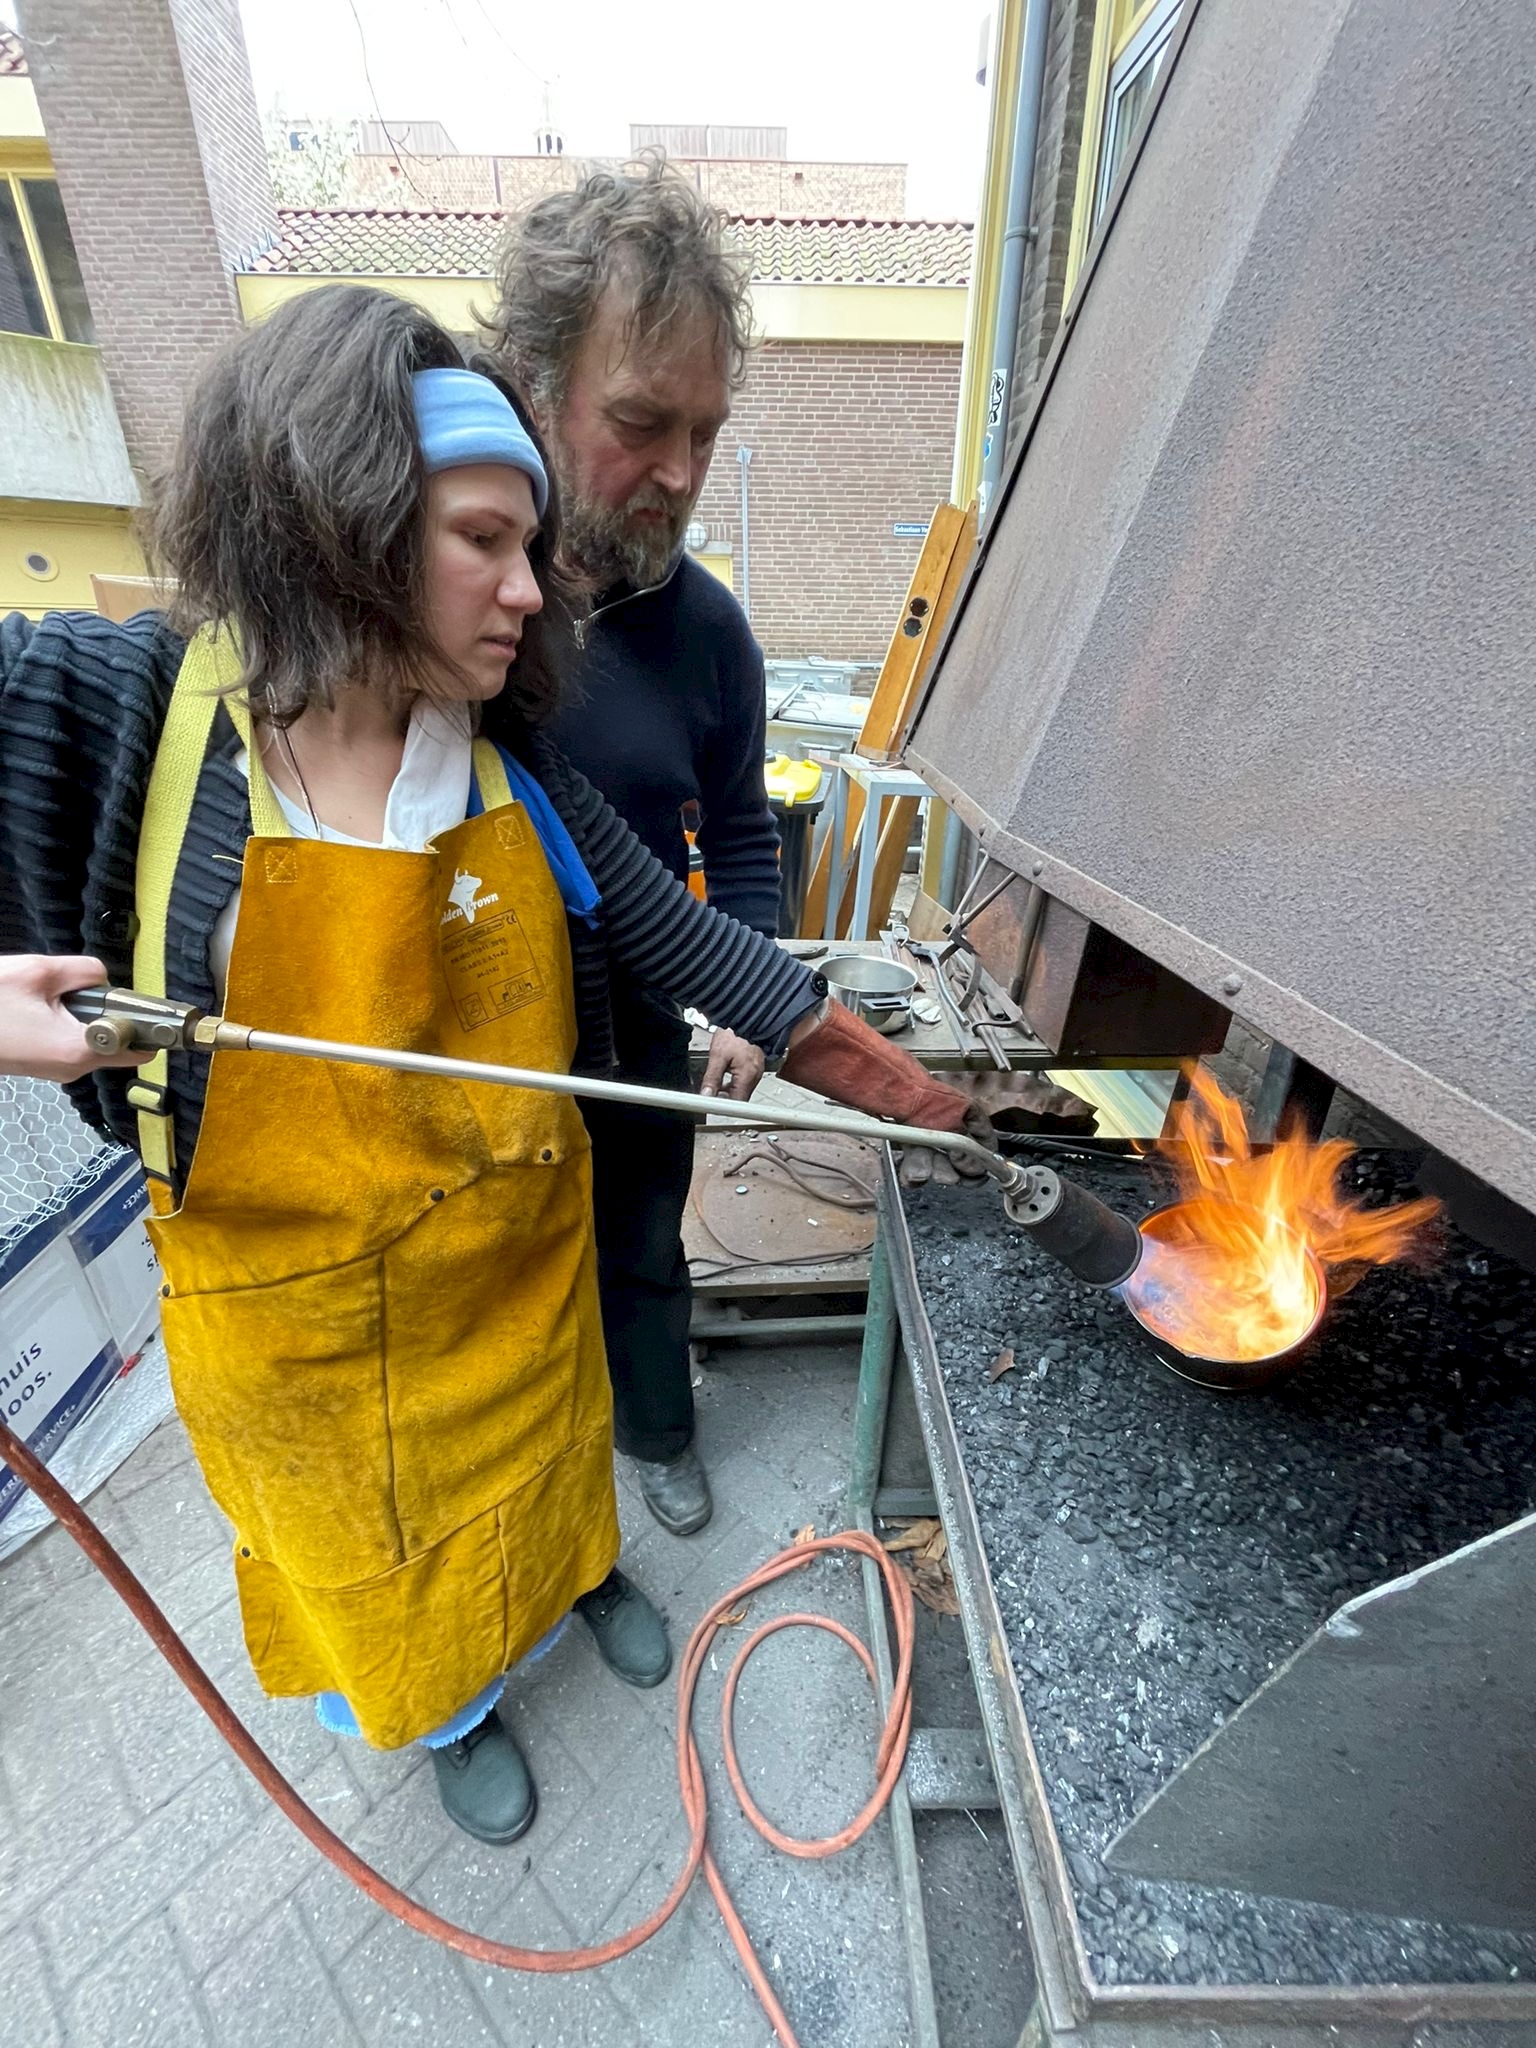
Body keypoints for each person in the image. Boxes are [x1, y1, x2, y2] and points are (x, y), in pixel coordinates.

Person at [0, 284, 977, 1847]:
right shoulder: (110, 710)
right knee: (376, 1558)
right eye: (481, 542)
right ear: (339, 520)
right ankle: (448, 1714)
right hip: (292, 1319)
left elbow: (707, 953)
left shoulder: (507, 766)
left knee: (544, 1463)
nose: (531, 589)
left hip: (510, 1268)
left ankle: (580, 1581)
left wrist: (945, 1117)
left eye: (528, 544)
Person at [489, 160, 776, 1542]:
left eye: (705, 433)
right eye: (640, 422)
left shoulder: (709, 636)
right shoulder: (454, 605)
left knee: (644, 1241)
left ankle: (657, 1428)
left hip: (638, 1026)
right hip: (468, 1035)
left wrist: (753, 990)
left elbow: (736, 826)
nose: (676, 473)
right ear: (536, 386)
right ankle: (533, 1514)